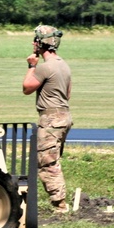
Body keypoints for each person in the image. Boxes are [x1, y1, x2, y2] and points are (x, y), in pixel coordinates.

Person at [22, 24, 73, 213]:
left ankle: (60, 205)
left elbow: (27, 88)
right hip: (64, 116)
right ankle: (59, 200)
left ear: (39, 43)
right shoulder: (63, 65)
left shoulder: (45, 67)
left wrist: (31, 66)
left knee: (47, 162)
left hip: (51, 119)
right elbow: (67, 94)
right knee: (53, 159)